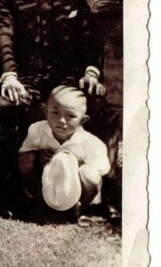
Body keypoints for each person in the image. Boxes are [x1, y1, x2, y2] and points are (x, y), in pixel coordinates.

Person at [0, 0, 104, 153]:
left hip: (67, 78)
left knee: (97, 102)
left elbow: (90, 37)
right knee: (4, 105)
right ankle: (13, 182)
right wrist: (10, 76)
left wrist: (91, 72)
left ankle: (96, 177)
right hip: (25, 78)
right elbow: (3, 36)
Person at [18, 86, 111, 217]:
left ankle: (81, 207)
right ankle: (35, 199)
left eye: (71, 116)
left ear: (83, 120)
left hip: (77, 188)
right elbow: (24, 153)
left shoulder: (89, 142)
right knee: (26, 160)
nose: (61, 121)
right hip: (47, 181)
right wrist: (39, 156)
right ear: (45, 111)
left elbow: (102, 168)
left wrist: (78, 165)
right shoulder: (37, 130)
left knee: (90, 174)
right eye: (55, 113)